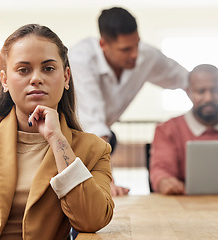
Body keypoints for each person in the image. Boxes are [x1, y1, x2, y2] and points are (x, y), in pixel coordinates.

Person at [0, 24, 114, 240]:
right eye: (23, 70)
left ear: (66, 77)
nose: (36, 78)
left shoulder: (94, 149)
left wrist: (57, 140)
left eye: (48, 68)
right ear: (5, 80)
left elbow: (92, 219)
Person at [69, 7, 189, 196]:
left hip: (103, 138)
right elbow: (93, 126)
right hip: (68, 135)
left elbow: (189, 81)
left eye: (136, 45)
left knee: (109, 140)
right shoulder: (81, 60)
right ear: (103, 44)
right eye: (125, 49)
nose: (134, 54)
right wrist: (107, 181)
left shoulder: (146, 55)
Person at [149, 64, 218, 195]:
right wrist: (165, 181)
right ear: (188, 93)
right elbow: (161, 169)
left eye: (215, 90)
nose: (208, 98)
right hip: (184, 204)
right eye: (201, 91)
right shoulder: (167, 131)